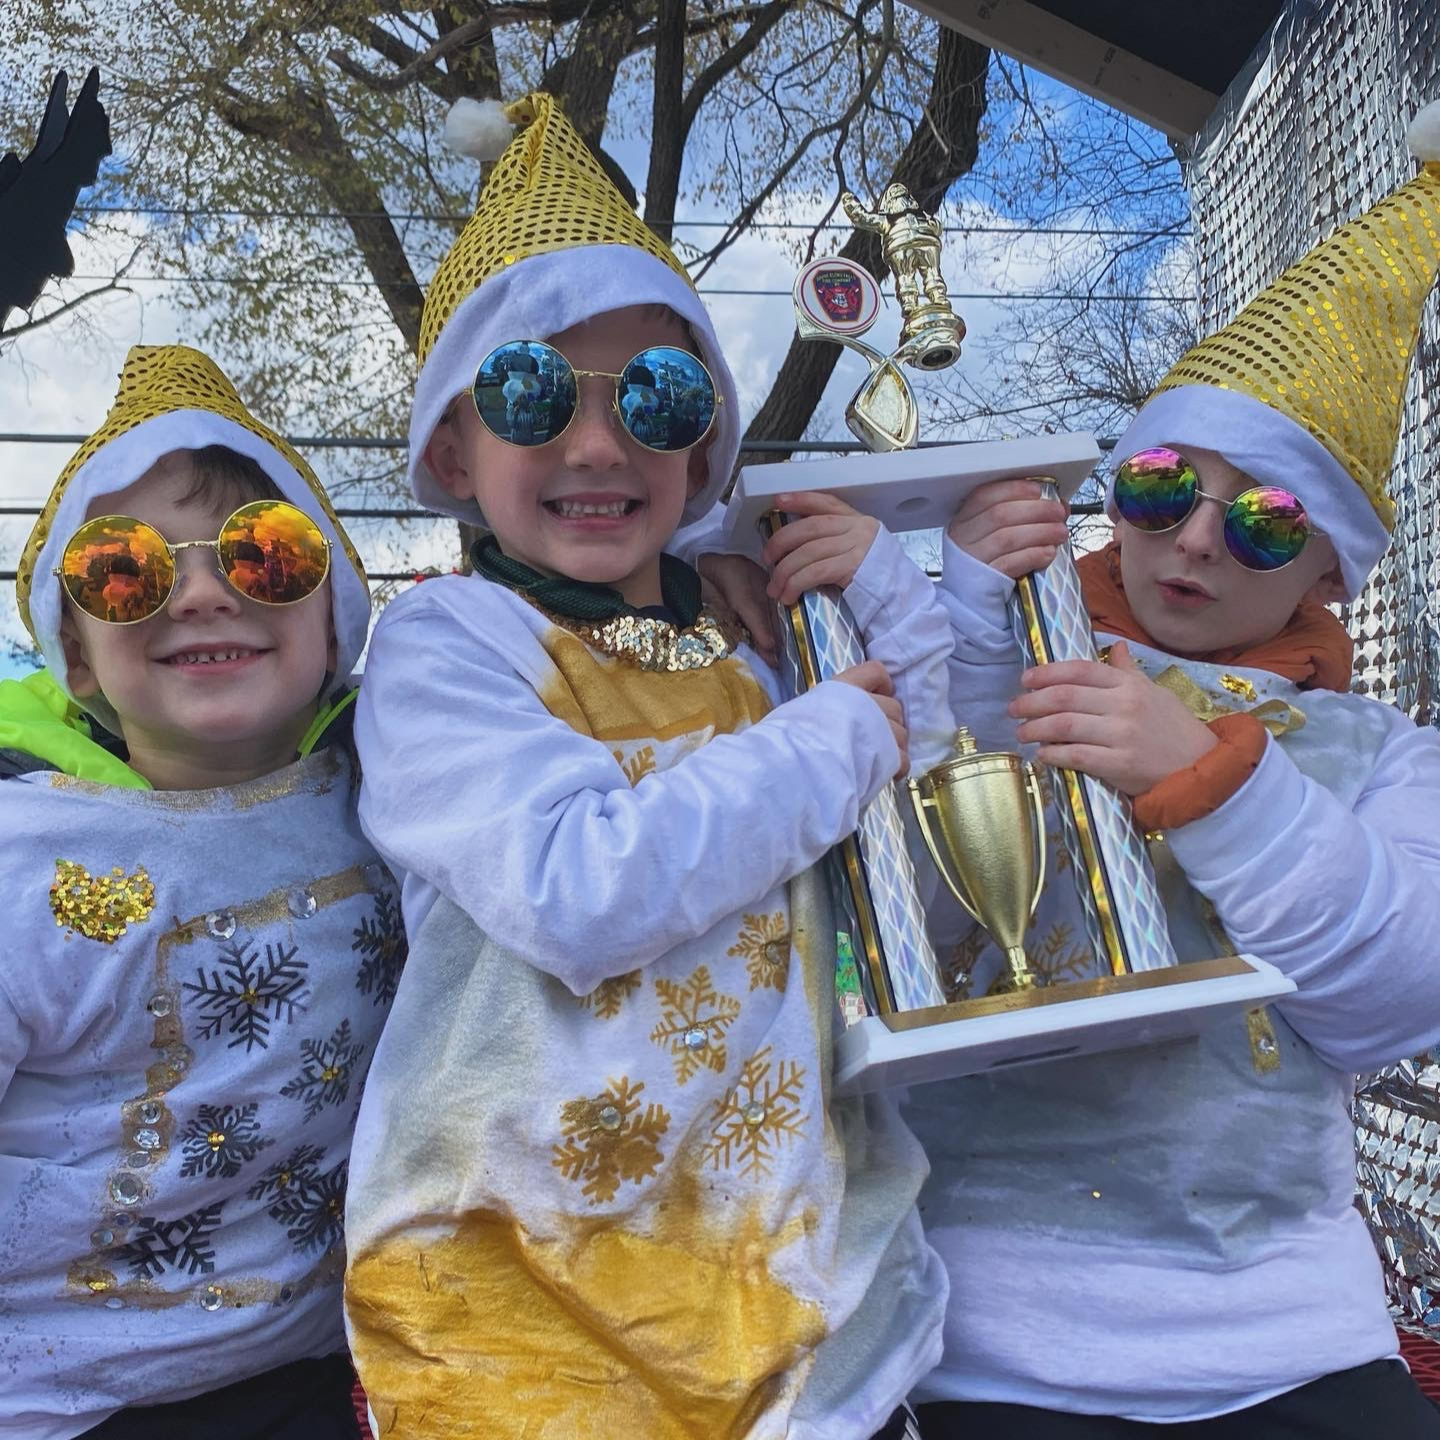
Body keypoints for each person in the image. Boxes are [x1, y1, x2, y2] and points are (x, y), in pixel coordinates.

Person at [343, 92, 954, 1440]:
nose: (601, 442)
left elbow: (931, 823)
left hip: (806, 1313)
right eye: (530, 392)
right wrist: (836, 729)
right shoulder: (446, 648)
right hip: (523, 1316)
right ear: (452, 444)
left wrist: (884, 600)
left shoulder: (746, 637)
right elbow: (578, 890)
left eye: (661, 399)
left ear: (706, 443)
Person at [909, 100, 1440, 1439]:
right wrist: (966, 629)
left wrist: (1214, 778)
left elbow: (1390, 1003)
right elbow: (888, 907)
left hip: (1290, 1346)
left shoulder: (1388, 756)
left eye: (1265, 520)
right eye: (1160, 487)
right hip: (992, 1342)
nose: (1196, 542)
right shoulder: (1006, 659)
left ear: (1335, 570)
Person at [0, 344, 400, 1440]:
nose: (206, 592)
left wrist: (724, 574)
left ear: (338, 624)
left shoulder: (404, 785)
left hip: (346, 1364)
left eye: (267, 556)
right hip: (61, 1404)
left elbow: (597, 683)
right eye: (126, 568)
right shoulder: (19, 859)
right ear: (75, 656)